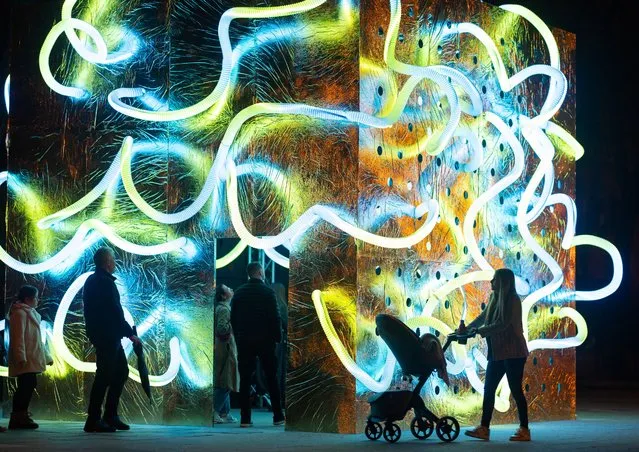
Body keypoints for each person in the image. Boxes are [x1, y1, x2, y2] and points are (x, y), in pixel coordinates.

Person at [463, 268, 531, 442]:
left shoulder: (514, 300)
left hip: (514, 352)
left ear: (504, 282)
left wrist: (478, 331)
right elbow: (483, 317)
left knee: (515, 389)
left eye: (494, 279)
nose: (491, 282)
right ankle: (484, 428)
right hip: (498, 351)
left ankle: (524, 429)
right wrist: (468, 329)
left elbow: (503, 324)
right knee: (489, 389)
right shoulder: (494, 298)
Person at [83, 246, 141, 433]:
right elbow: (115, 311)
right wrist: (130, 334)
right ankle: (94, 419)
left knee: (119, 372)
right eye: (114, 260)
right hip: (108, 336)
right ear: (108, 263)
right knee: (105, 376)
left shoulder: (92, 280)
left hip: (104, 335)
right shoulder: (105, 283)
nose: (115, 263)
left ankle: (109, 415)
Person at [230, 263, 285, 427]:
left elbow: (233, 318)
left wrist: (238, 336)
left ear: (248, 274)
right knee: (272, 377)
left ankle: (245, 418)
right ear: (261, 272)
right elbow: (275, 318)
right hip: (265, 340)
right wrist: (277, 337)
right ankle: (278, 416)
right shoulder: (269, 292)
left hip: (245, 340)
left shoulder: (239, 293)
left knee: (245, 379)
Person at [7, 285, 53, 429]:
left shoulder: (30, 313)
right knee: (25, 385)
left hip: (31, 356)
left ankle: (21, 415)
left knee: (28, 385)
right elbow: (18, 337)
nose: (38, 300)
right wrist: (20, 357)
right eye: (36, 297)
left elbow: (38, 339)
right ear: (28, 299)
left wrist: (46, 356)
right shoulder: (20, 314)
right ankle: (18, 416)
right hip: (26, 358)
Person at [213, 284, 239, 424]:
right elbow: (222, 328)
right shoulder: (224, 309)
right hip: (226, 347)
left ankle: (225, 412)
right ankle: (216, 410)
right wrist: (235, 323)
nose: (231, 289)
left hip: (225, 346)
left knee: (225, 379)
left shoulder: (223, 308)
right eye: (228, 289)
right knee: (226, 380)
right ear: (223, 295)